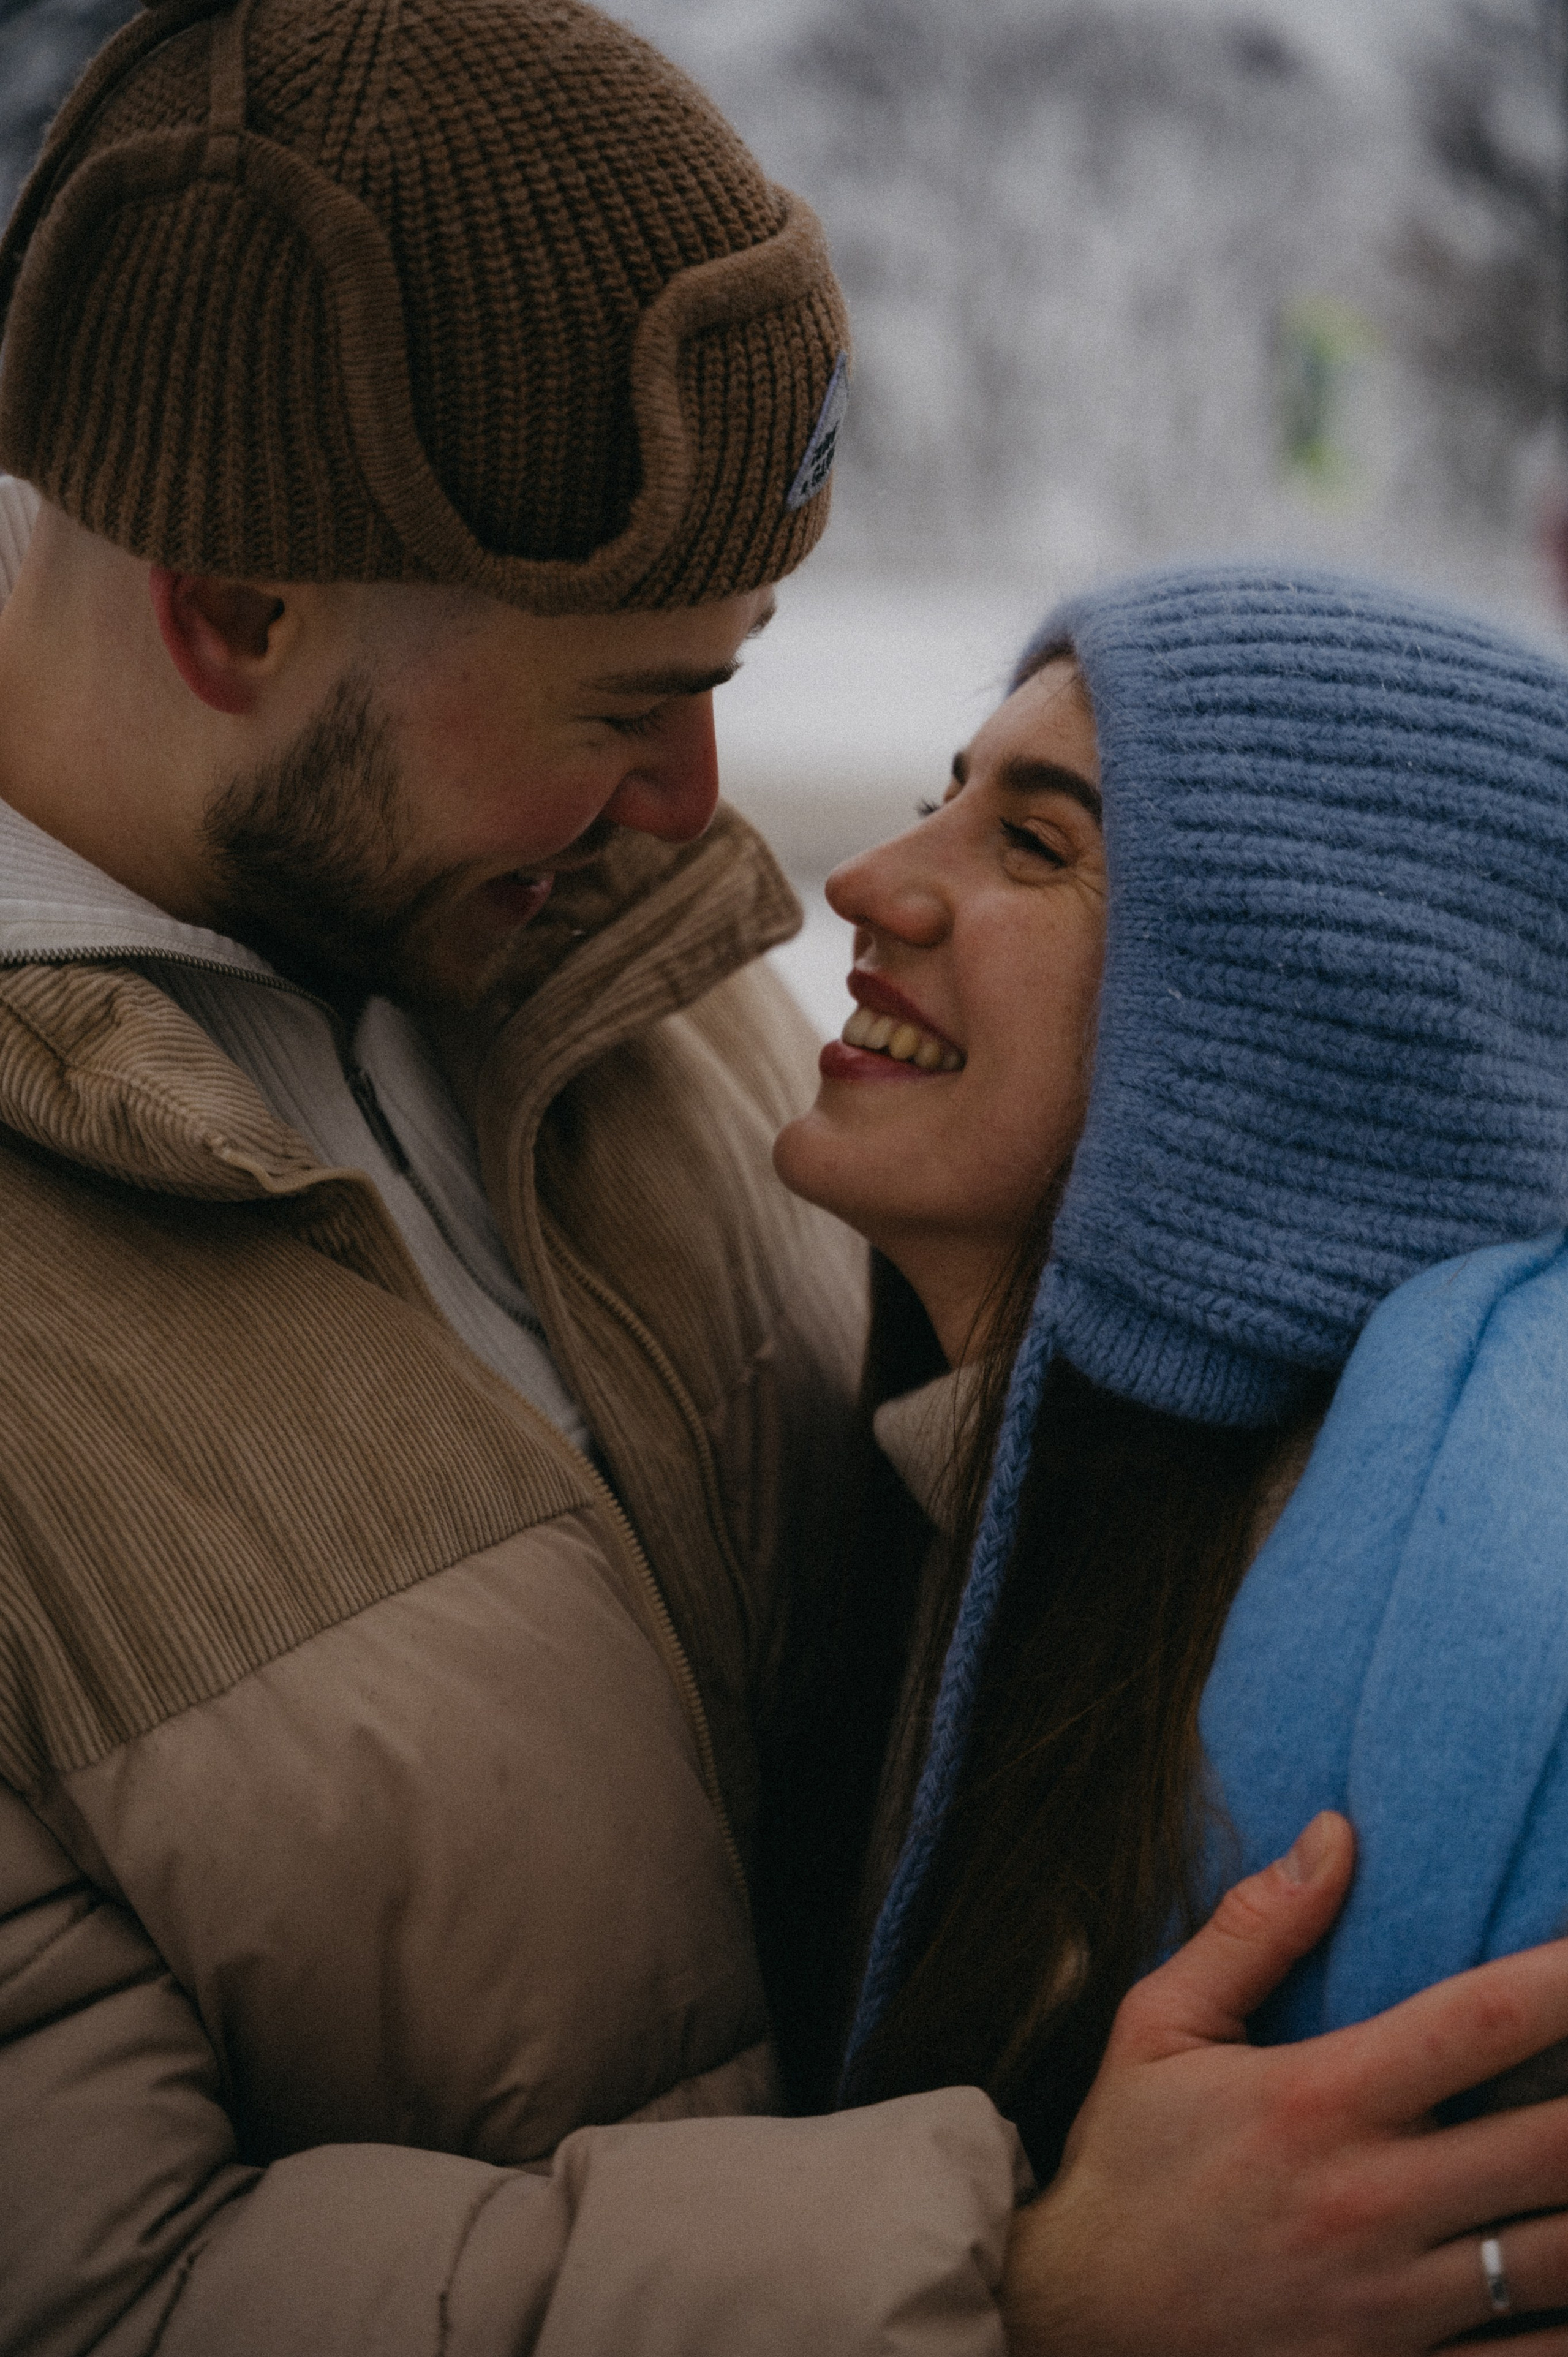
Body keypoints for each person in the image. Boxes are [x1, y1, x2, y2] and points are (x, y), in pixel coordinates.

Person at [4, 4, 1568, 2349]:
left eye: (733, 679)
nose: (715, 824)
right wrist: (1013, 2295)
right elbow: (93, 2291)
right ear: (235, 611)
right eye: (627, 704)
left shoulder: (584, 960)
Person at [772, 560, 1568, 2347]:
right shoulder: (928, 1500)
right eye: (938, 801)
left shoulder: (1497, 1688)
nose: (871, 883)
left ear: (1310, 1034)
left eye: (1036, 846)